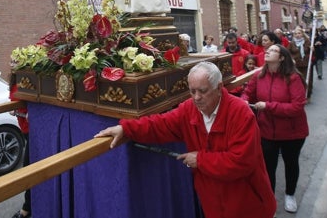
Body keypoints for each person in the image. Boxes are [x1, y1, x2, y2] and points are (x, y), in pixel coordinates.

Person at [95, 61, 276, 218]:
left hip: (248, 204)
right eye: (192, 91)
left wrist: (200, 159)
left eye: (203, 91)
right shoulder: (188, 109)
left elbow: (241, 162)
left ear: (219, 88)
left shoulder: (240, 113)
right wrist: (125, 128)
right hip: (214, 204)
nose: (197, 97)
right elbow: (160, 124)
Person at [241, 45, 309, 214]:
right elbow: (248, 93)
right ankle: (268, 197)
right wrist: (243, 101)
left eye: (272, 50)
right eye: (267, 50)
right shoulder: (259, 75)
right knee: (268, 166)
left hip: (292, 132)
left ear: (281, 58)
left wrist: (268, 106)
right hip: (266, 131)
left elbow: (297, 107)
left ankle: (290, 194)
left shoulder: (293, 78)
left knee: (291, 163)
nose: (267, 52)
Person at [9, 73, 31, 218]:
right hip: (25, 128)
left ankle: (27, 208)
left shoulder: (29, 77)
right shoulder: (17, 79)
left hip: (34, 130)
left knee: (29, 167)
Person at [288, 27, 313, 100]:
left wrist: (312, 49)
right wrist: (291, 59)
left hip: (306, 64)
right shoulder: (292, 43)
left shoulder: (307, 41)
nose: (297, 35)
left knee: (307, 80)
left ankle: (307, 95)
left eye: (299, 33)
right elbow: (288, 53)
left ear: (302, 34)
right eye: (295, 33)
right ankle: (299, 96)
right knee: (298, 81)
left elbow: (311, 53)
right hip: (296, 65)